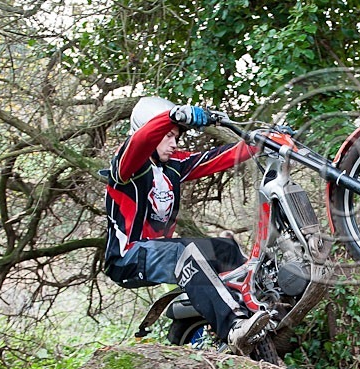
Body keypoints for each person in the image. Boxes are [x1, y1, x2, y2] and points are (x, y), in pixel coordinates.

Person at [104, 96, 270, 353]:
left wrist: (261, 142)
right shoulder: (127, 165)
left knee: (225, 250)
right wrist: (171, 117)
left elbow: (216, 158)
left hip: (161, 251)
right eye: (168, 136)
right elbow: (139, 142)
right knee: (184, 254)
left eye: (177, 137)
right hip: (128, 259)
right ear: (150, 129)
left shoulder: (173, 166)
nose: (174, 143)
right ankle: (233, 326)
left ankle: (254, 308)